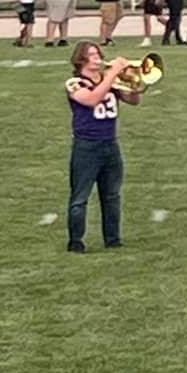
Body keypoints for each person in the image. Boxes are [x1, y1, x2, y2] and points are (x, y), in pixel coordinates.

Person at [66, 42, 139, 250]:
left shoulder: (110, 82)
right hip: (86, 146)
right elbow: (91, 99)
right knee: (80, 197)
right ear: (81, 59)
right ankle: (76, 241)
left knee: (112, 195)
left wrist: (134, 80)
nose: (98, 58)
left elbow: (134, 100)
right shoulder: (74, 83)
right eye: (92, 55)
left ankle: (113, 239)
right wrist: (112, 74)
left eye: (98, 53)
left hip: (110, 144)